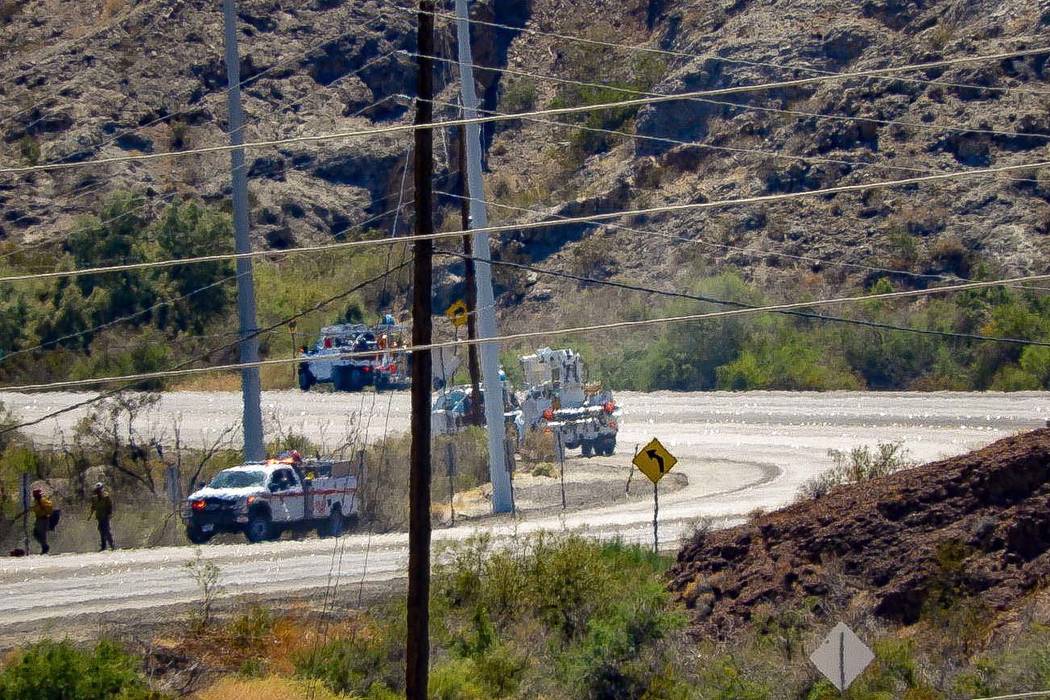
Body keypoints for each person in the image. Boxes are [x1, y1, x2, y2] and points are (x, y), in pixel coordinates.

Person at [89, 482, 115, 551]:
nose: (98, 492)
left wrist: (110, 514)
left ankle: (112, 545)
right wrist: (90, 515)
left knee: (106, 530)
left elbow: (110, 506)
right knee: (101, 530)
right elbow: (93, 507)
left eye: (99, 490)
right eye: (97, 490)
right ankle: (104, 546)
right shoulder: (94, 498)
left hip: (105, 516)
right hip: (99, 517)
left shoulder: (106, 497)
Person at [30, 488, 53, 555]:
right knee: (37, 534)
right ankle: (44, 548)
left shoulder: (41, 501)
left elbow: (46, 509)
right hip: (40, 519)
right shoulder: (38, 501)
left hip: (42, 520)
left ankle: (45, 548)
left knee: (39, 534)